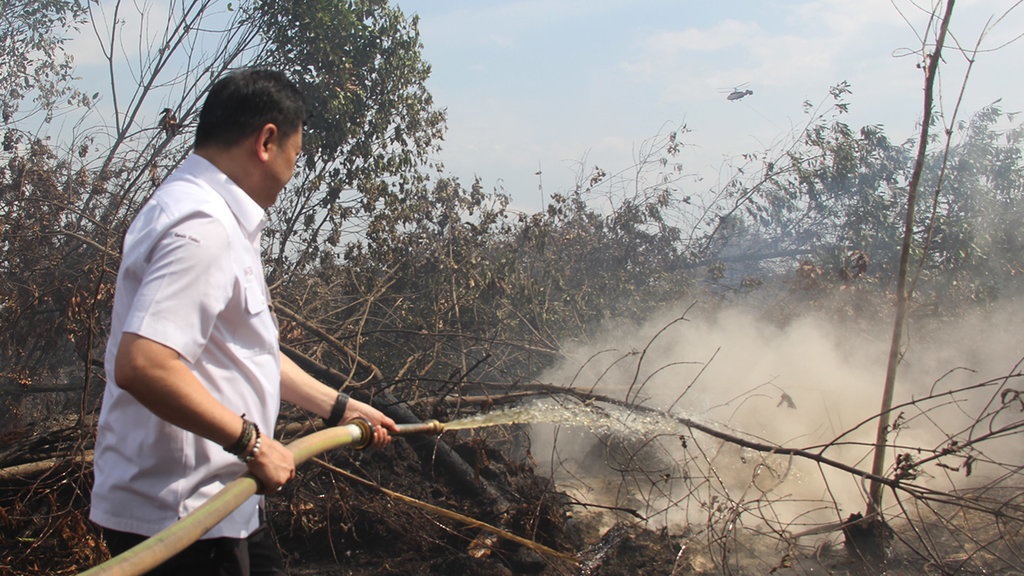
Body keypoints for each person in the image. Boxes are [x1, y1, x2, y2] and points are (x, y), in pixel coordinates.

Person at [90, 68, 398, 575]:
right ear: (267, 141)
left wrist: (338, 407)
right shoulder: (202, 226)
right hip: (180, 518)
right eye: (295, 156)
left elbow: (244, 350)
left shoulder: (215, 216)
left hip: (220, 504)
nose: (292, 172)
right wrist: (252, 443)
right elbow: (143, 365)